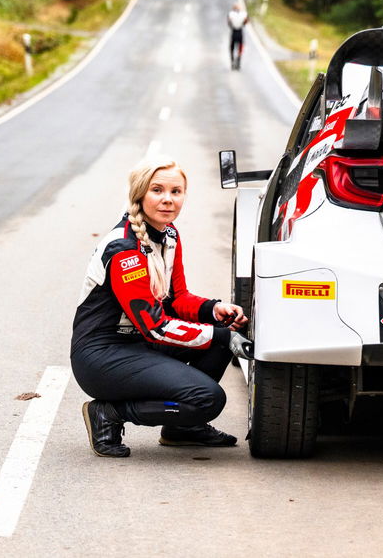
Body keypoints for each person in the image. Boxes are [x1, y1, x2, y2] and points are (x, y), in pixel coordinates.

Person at [71, 156, 251, 457]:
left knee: (223, 329)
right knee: (207, 398)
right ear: (140, 194)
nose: (168, 200)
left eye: (176, 192)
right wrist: (220, 336)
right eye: (157, 190)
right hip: (102, 355)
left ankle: (183, 428)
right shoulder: (124, 250)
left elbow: (177, 299)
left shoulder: (169, 235)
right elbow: (155, 326)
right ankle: (109, 413)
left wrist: (214, 309)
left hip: (139, 344)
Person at [227, 3, 248, 69]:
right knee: (239, 46)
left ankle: (234, 60)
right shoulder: (243, 14)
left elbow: (229, 23)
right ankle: (237, 60)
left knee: (233, 47)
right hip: (239, 31)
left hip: (234, 31)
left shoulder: (231, 14)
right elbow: (245, 22)